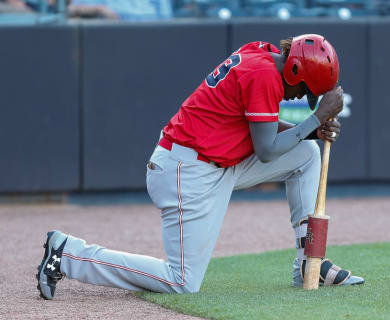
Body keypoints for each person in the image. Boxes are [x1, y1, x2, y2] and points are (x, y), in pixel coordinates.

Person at [36, 34, 364, 300]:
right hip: (186, 170)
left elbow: (258, 130)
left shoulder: (263, 56)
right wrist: (317, 117)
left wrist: (311, 129)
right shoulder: (264, 75)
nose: (298, 98)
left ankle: (310, 261)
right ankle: (68, 254)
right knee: (182, 281)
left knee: (307, 154)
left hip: (218, 162)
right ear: (294, 71)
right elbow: (266, 151)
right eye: (304, 91)